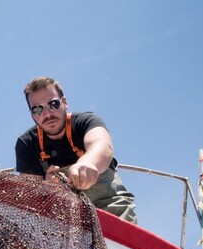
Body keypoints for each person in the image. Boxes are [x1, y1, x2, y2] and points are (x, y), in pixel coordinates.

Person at [15, 76, 137, 223]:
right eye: (37, 109)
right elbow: (31, 198)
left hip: (111, 210)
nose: (47, 114)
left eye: (53, 104)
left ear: (65, 102)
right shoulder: (27, 144)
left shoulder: (86, 122)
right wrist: (46, 189)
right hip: (63, 222)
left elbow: (102, 145)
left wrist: (89, 163)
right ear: (32, 114)